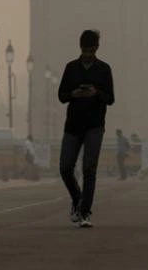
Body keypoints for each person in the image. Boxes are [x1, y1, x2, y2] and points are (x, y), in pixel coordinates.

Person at [57, 28, 115, 228]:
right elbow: (61, 95)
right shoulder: (70, 68)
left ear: (97, 48)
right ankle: (77, 198)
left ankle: (85, 212)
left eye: (91, 50)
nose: (88, 54)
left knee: (89, 169)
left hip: (95, 125)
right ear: (80, 48)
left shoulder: (104, 69)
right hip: (73, 124)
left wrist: (96, 93)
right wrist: (75, 94)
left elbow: (111, 99)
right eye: (85, 50)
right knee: (65, 167)